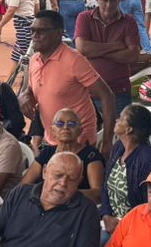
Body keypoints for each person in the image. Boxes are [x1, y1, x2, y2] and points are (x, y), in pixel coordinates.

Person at [23, 10, 117, 149]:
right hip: (52, 140)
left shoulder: (74, 61)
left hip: (79, 142)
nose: (34, 36)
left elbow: (107, 96)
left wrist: (107, 142)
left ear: (58, 33)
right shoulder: (34, 60)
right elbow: (32, 88)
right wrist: (25, 95)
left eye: (41, 31)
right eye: (32, 31)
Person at [75, 0, 146, 112]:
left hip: (119, 91)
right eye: (105, 0)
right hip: (89, 92)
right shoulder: (84, 18)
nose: (108, 5)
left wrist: (96, 52)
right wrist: (115, 46)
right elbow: (82, 48)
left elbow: (133, 56)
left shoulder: (128, 21)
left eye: (113, 1)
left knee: (119, 126)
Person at [19, 107, 105, 204]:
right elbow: (24, 185)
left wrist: (62, 195)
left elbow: (97, 194)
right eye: (60, 124)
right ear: (53, 130)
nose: (65, 127)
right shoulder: (47, 152)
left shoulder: (91, 155)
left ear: (80, 130)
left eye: (71, 124)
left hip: (74, 207)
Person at [101, 103, 151, 229]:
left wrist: (126, 226)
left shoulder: (147, 158)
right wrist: (106, 215)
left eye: (121, 119)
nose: (117, 120)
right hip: (112, 223)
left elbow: (150, 204)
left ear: (129, 129)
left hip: (137, 227)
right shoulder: (118, 147)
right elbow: (105, 186)